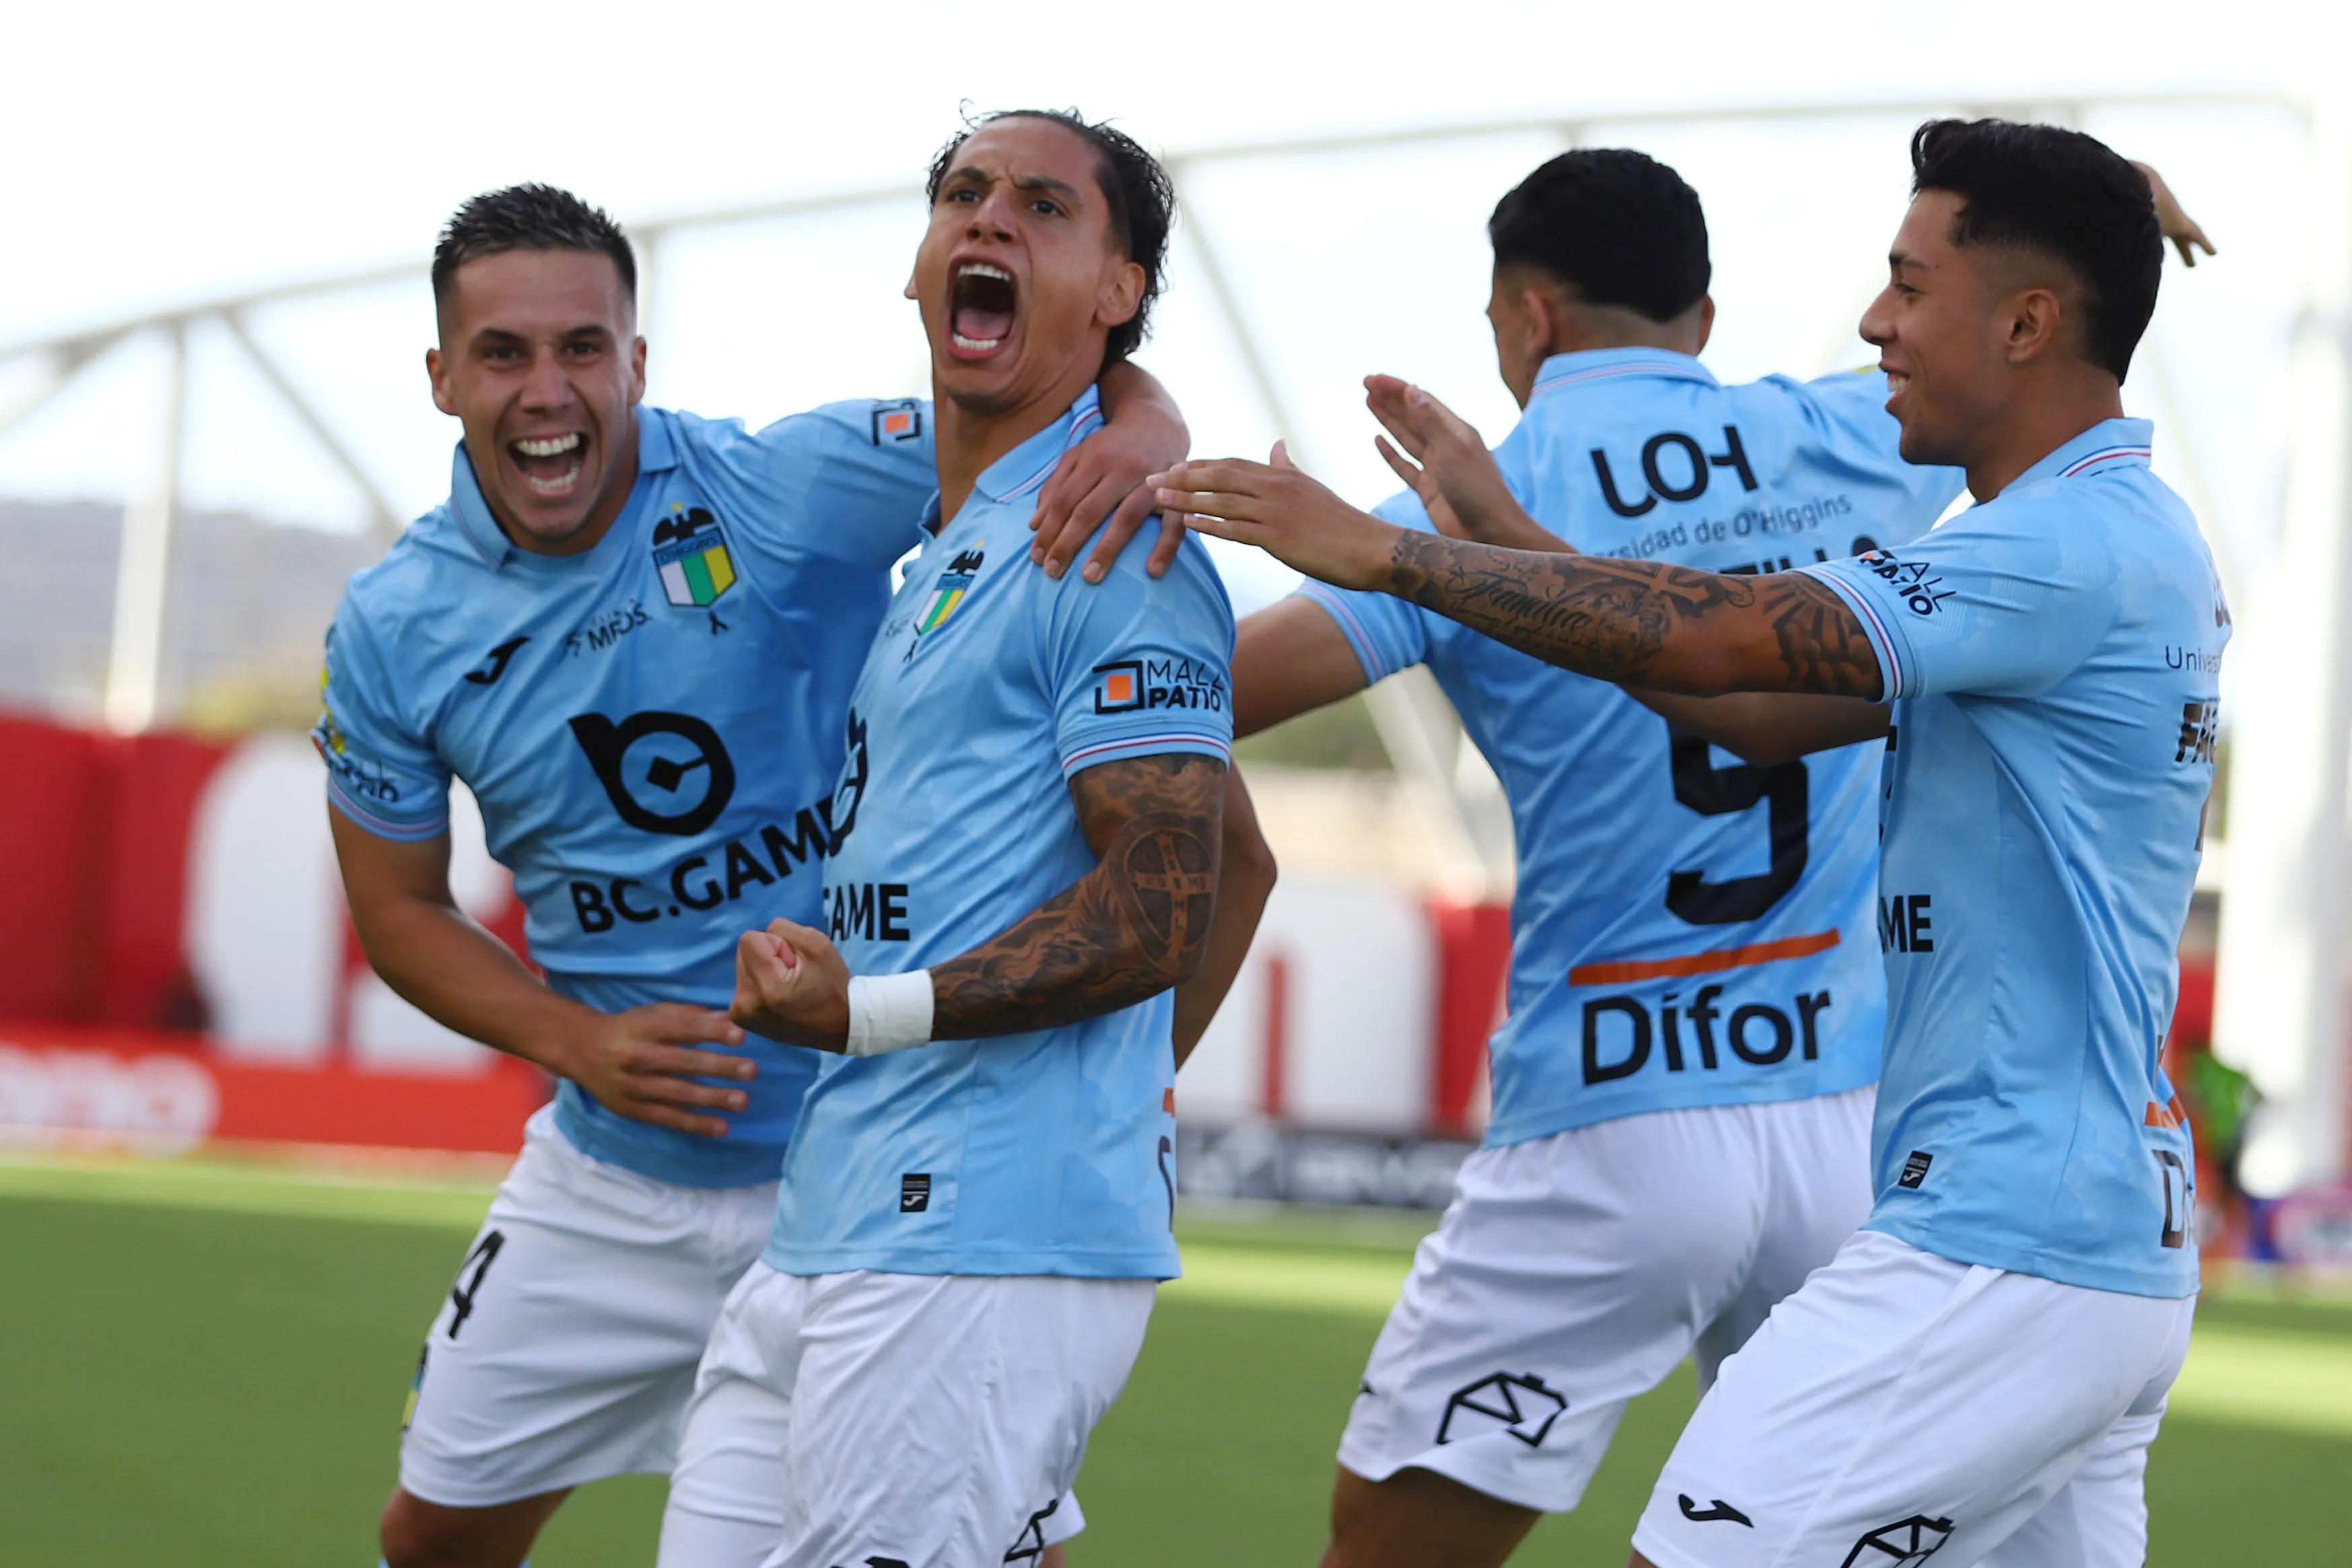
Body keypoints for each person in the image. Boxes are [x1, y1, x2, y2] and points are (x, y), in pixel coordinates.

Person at [1155, 115, 2220, 1568]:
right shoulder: (1958, 487)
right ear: (1698, 312)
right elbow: (1762, 713)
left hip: (1960, 1225)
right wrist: (1509, 536)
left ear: (1526, 317)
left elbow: (1718, 643)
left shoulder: (2049, 546)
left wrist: (1387, 550)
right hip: (1963, 1187)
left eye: (1909, 284)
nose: (1875, 322)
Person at [317, 182, 1262, 1568]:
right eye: (505, 353)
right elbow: (397, 908)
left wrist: (1149, 426)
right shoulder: (393, 627)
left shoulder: (780, 486)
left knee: (992, 1541)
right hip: (613, 1181)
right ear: (443, 376)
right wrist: (577, 1041)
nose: (547, 390)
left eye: (584, 348)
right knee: (433, 1540)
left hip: (874, 1155)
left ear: (637, 362)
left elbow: (1040, 413)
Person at [654, 108, 1247, 1568]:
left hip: (970, 1244)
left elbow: (1174, 895)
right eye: (965, 196)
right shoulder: (960, 533)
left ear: (1118, 296)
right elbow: (1247, 861)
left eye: (1044, 208)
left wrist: (876, 1012)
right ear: (919, 269)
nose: (989, 222)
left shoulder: (1115, 543)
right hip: (843, 1214)